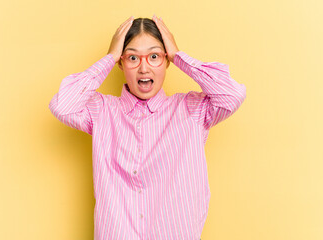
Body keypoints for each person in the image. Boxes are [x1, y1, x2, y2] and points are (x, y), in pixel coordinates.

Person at [49, 15, 246, 240]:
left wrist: (178, 55)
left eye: (154, 56)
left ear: (166, 60)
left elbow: (233, 94)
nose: (144, 68)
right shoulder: (102, 111)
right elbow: (62, 105)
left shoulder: (192, 110)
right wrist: (109, 58)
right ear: (121, 63)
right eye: (133, 57)